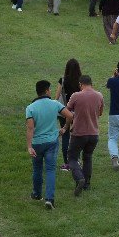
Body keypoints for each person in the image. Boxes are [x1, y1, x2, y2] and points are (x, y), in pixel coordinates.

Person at [26, 79, 73, 210]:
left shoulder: (30, 108)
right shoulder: (55, 104)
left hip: (37, 144)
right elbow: (70, 116)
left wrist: (29, 146)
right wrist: (64, 128)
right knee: (50, 170)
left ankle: (36, 194)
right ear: (46, 91)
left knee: (37, 169)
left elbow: (30, 128)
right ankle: (49, 199)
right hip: (52, 143)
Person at [66, 75, 104, 197]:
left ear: (80, 84)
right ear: (91, 83)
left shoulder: (76, 96)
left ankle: (79, 178)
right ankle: (87, 183)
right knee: (87, 157)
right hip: (93, 133)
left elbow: (67, 112)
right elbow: (100, 112)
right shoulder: (99, 95)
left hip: (79, 133)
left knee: (72, 157)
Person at [54, 58, 82, 170]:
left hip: (64, 112)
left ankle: (67, 163)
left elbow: (56, 97)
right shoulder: (81, 81)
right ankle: (76, 160)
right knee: (77, 137)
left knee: (65, 135)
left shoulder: (63, 80)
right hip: (77, 112)